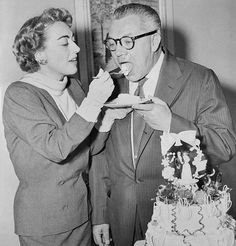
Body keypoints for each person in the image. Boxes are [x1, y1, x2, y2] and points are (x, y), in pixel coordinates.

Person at [89, 3, 236, 246]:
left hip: (177, 221)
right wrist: (100, 213)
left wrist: (172, 123)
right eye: (112, 43)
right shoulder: (109, 86)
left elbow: (225, 146)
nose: (118, 53)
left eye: (127, 41)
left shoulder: (200, 78)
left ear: (154, 40)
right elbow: (100, 155)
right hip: (120, 218)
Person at [2, 7, 121, 246]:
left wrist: (107, 119)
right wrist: (94, 102)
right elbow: (57, 148)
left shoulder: (74, 87)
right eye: (65, 43)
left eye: (74, 41)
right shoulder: (20, 94)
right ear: (40, 55)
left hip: (81, 215)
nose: (76, 49)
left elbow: (89, 150)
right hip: (46, 226)